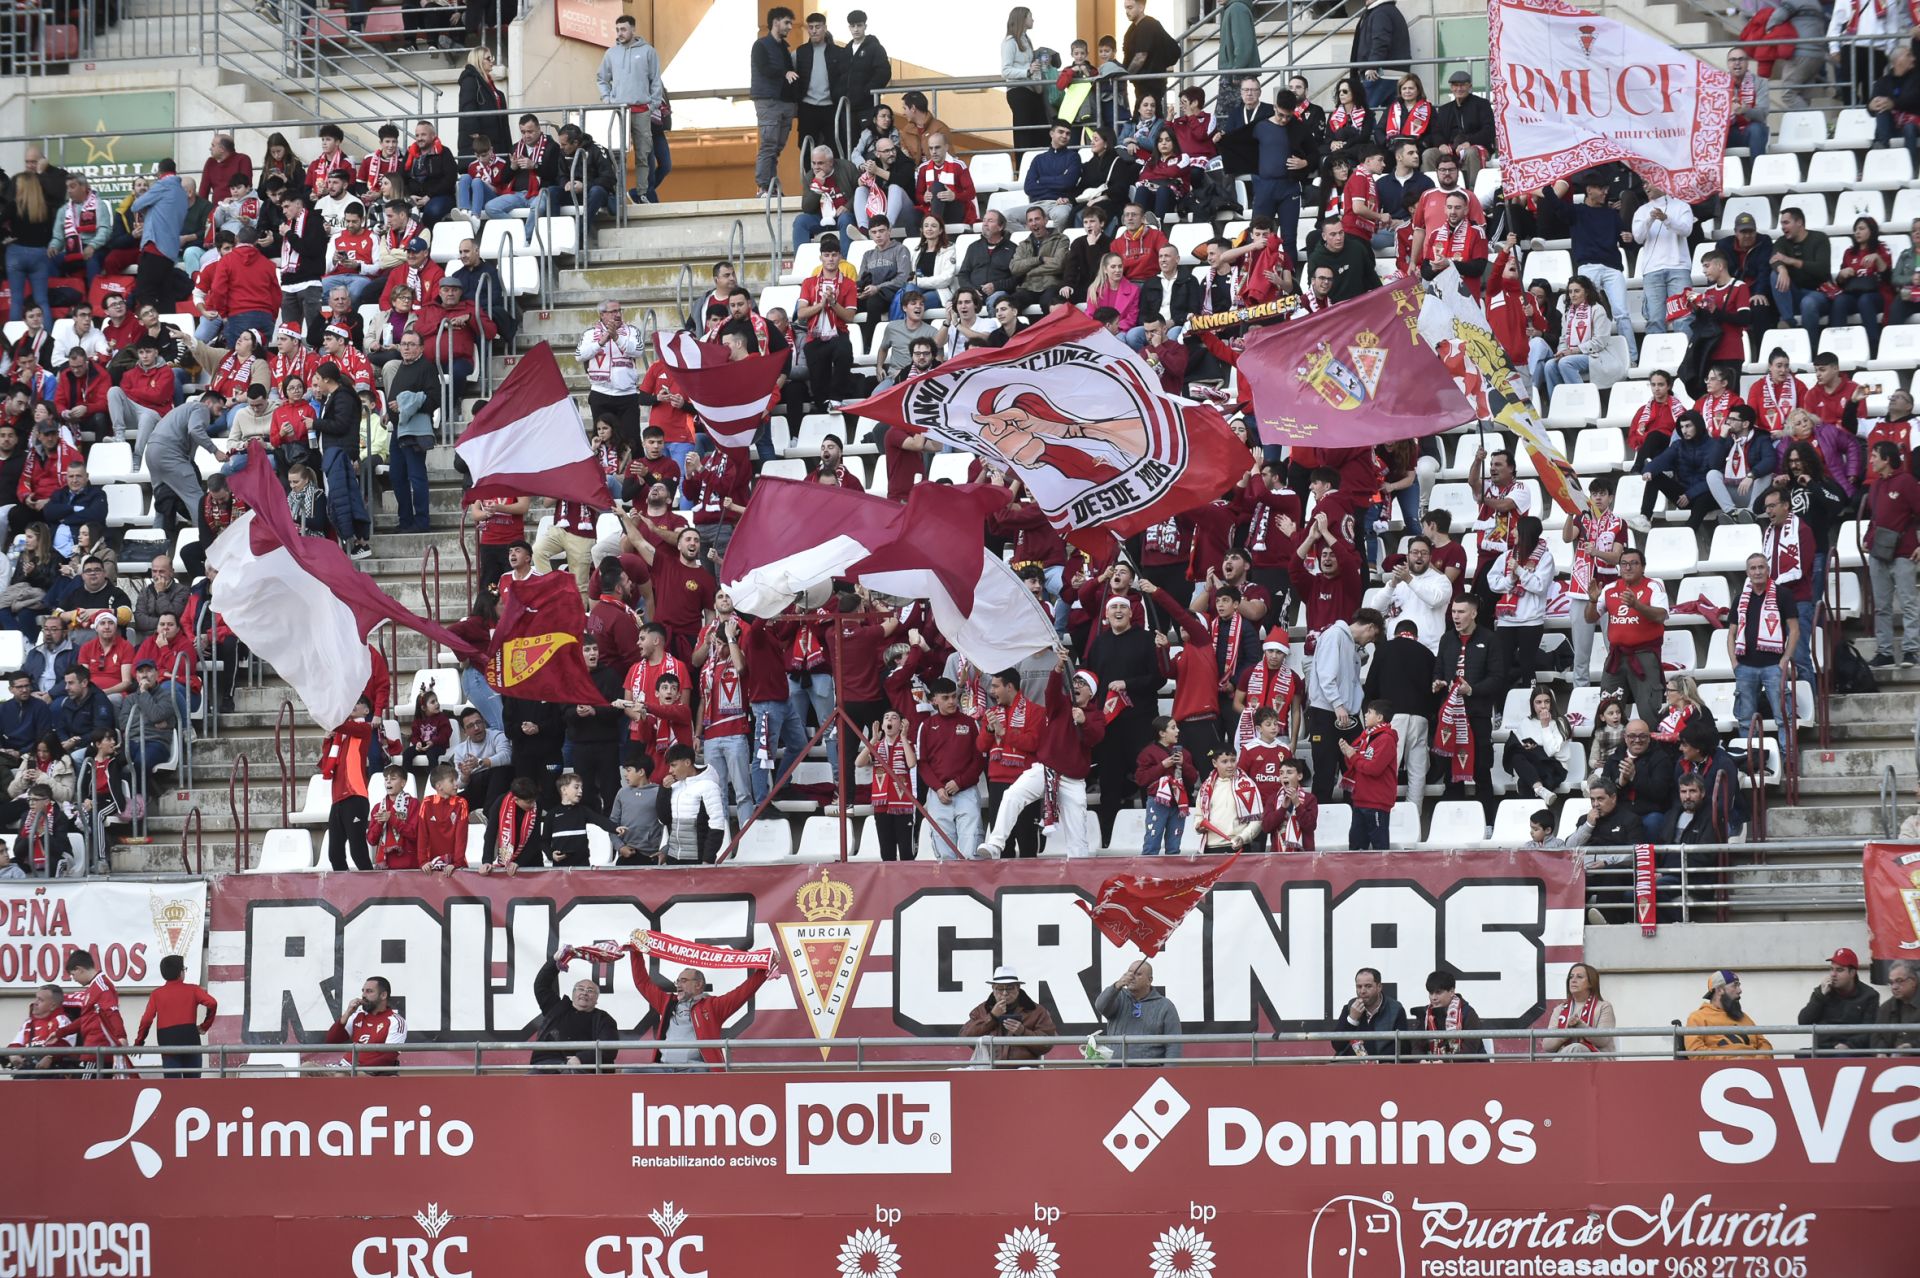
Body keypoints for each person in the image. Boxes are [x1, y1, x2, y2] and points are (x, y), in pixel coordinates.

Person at [629, 932, 772, 1068]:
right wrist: (635, 953)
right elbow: (643, 983)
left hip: (697, 1070)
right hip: (664, 1068)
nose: (678, 984)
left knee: (700, 1075)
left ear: (698, 984)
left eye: (683, 981)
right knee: (630, 1071)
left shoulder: (714, 1006)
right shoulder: (667, 1002)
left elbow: (743, 992)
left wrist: (764, 970)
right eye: (677, 981)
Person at [1433, 597, 1503, 824]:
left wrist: (1472, 690)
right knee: (1452, 774)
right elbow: (1439, 669)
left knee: (1482, 771)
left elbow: (1498, 678)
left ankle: (1488, 824)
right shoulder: (1446, 639)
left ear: (1473, 614)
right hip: (1450, 717)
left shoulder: (1490, 639)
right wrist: (1438, 682)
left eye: (1461, 612)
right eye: (1453, 611)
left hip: (1477, 715)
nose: (1455, 616)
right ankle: (1455, 825)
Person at [598, 14, 664, 204]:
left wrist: (653, 105)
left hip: (642, 110)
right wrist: (607, 99)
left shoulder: (648, 51)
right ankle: (618, 195)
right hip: (619, 111)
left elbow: (655, 80)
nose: (620, 33)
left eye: (624, 29)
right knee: (618, 156)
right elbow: (602, 78)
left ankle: (642, 193)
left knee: (643, 154)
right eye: (617, 29)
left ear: (633, 29)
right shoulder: (611, 53)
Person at [530, 946, 622, 1072]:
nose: (585, 993)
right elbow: (541, 985)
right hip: (548, 1063)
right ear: (573, 994)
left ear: (596, 999)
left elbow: (609, 1049)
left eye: (590, 991)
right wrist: (554, 962)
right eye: (581, 989)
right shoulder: (556, 1008)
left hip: (585, 1068)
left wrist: (581, 1059)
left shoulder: (604, 1019)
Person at [132, 953, 216, 1078]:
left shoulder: (157, 994)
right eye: (184, 969)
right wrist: (204, 1026)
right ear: (180, 972)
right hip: (190, 1039)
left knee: (172, 1087)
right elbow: (212, 1003)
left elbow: (146, 1020)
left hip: (167, 1042)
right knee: (193, 1086)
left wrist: (139, 1042)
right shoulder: (193, 989)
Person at [961, 964, 1057, 1065]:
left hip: (1025, 1069)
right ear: (993, 989)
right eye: (1000, 988)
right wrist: (992, 1017)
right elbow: (965, 1037)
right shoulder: (982, 1010)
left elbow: (1047, 1044)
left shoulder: (1036, 1011)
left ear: (1018, 988)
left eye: (1010, 988)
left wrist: (1023, 1032)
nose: (1005, 993)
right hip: (988, 1068)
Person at [750, 8, 801, 197]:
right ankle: (764, 187)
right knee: (769, 145)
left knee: (776, 148)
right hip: (768, 101)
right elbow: (764, 69)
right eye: (787, 22)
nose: (789, 27)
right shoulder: (761, 46)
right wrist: (784, 73)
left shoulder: (783, 48)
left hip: (784, 103)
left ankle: (770, 187)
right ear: (776, 22)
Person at [1093, 959, 1181, 1063]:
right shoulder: (1117, 998)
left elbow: (1174, 1045)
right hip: (1115, 1068)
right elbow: (1100, 1006)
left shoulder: (1165, 1006)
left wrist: (1168, 1073)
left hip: (1150, 1070)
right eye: (1129, 972)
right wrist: (1116, 986)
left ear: (1149, 980)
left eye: (1138, 974)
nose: (1131, 977)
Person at [1796, 946, 1881, 1054]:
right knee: (1801, 1054)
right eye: (1831, 969)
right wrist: (1820, 997)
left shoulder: (1869, 996)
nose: (1833, 975)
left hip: (1854, 1052)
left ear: (1852, 973)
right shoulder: (1822, 991)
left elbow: (1870, 1031)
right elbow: (1803, 1022)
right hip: (1823, 1051)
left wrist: (1849, 1045)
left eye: (1839, 970)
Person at [1339, 699, 1397, 849]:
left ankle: (1383, 874)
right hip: (1360, 800)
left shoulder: (1386, 739)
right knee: (1356, 849)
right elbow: (1355, 765)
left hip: (1377, 802)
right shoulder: (1366, 737)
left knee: (1380, 851)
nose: (1365, 715)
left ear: (1380, 717)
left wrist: (1353, 755)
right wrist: (1348, 753)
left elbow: (1374, 768)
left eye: (1369, 712)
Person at [324, 975, 406, 1074]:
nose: (363, 995)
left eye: (369, 991)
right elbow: (331, 1040)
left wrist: (355, 1069)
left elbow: (389, 1057)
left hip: (365, 1073)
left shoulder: (396, 1021)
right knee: (307, 1068)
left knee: (340, 1076)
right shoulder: (357, 1016)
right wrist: (347, 1013)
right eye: (363, 991)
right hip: (344, 1067)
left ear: (383, 995)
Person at [1684, 970, 1774, 1058]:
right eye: (1735, 986)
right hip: (1718, 1071)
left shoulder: (1744, 1017)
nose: (1740, 991)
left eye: (1739, 985)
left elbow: (1764, 1044)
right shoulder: (1697, 1018)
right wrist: (1731, 1062)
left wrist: (1758, 1060)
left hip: (1754, 1070)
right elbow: (1695, 1052)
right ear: (1719, 990)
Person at [1539, 963, 1616, 1057]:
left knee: (1576, 1049)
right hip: (1566, 1062)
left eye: (1579, 977)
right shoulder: (1559, 1010)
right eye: (1571, 977)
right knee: (1574, 1049)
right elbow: (1547, 1045)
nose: (1573, 980)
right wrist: (1567, 1031)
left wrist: (1580, 1026)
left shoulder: (1604, 1007)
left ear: (1591, 983)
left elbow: (1602, 1040)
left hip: (1598, 1062)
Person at [1415, 969, 1486, 1061]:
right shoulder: (1425, 1014)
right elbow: (1416, 1046)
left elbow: (1470, 1050)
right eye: (1431, 993)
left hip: (1469, 1069)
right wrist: (1421, 1060)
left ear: (1452, 992)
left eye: (1438, 992)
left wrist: (1445, 1062)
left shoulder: (1468, 1013)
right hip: (1434, 1069)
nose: (1433, 998)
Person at [6, 984, 75, 1075]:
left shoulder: (62, 1020)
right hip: (27, 1070)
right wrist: (13, 1055)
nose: (35, 1003)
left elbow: (66, 1045)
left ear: (53, 1006)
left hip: (54, 1072)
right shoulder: (28, 1023)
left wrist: (50, 1057)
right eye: (36, 998)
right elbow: (15, 1044)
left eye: (40, 1000)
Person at [1874, 960, 1920, 1053]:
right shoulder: (1886, 1007)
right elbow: (1877, 1037)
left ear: (1913, 981)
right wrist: (1881, 1052)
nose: (1894, 987)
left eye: (1899, 981)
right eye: (1891, 982)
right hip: (1892, 1062)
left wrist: (1913, 1046)